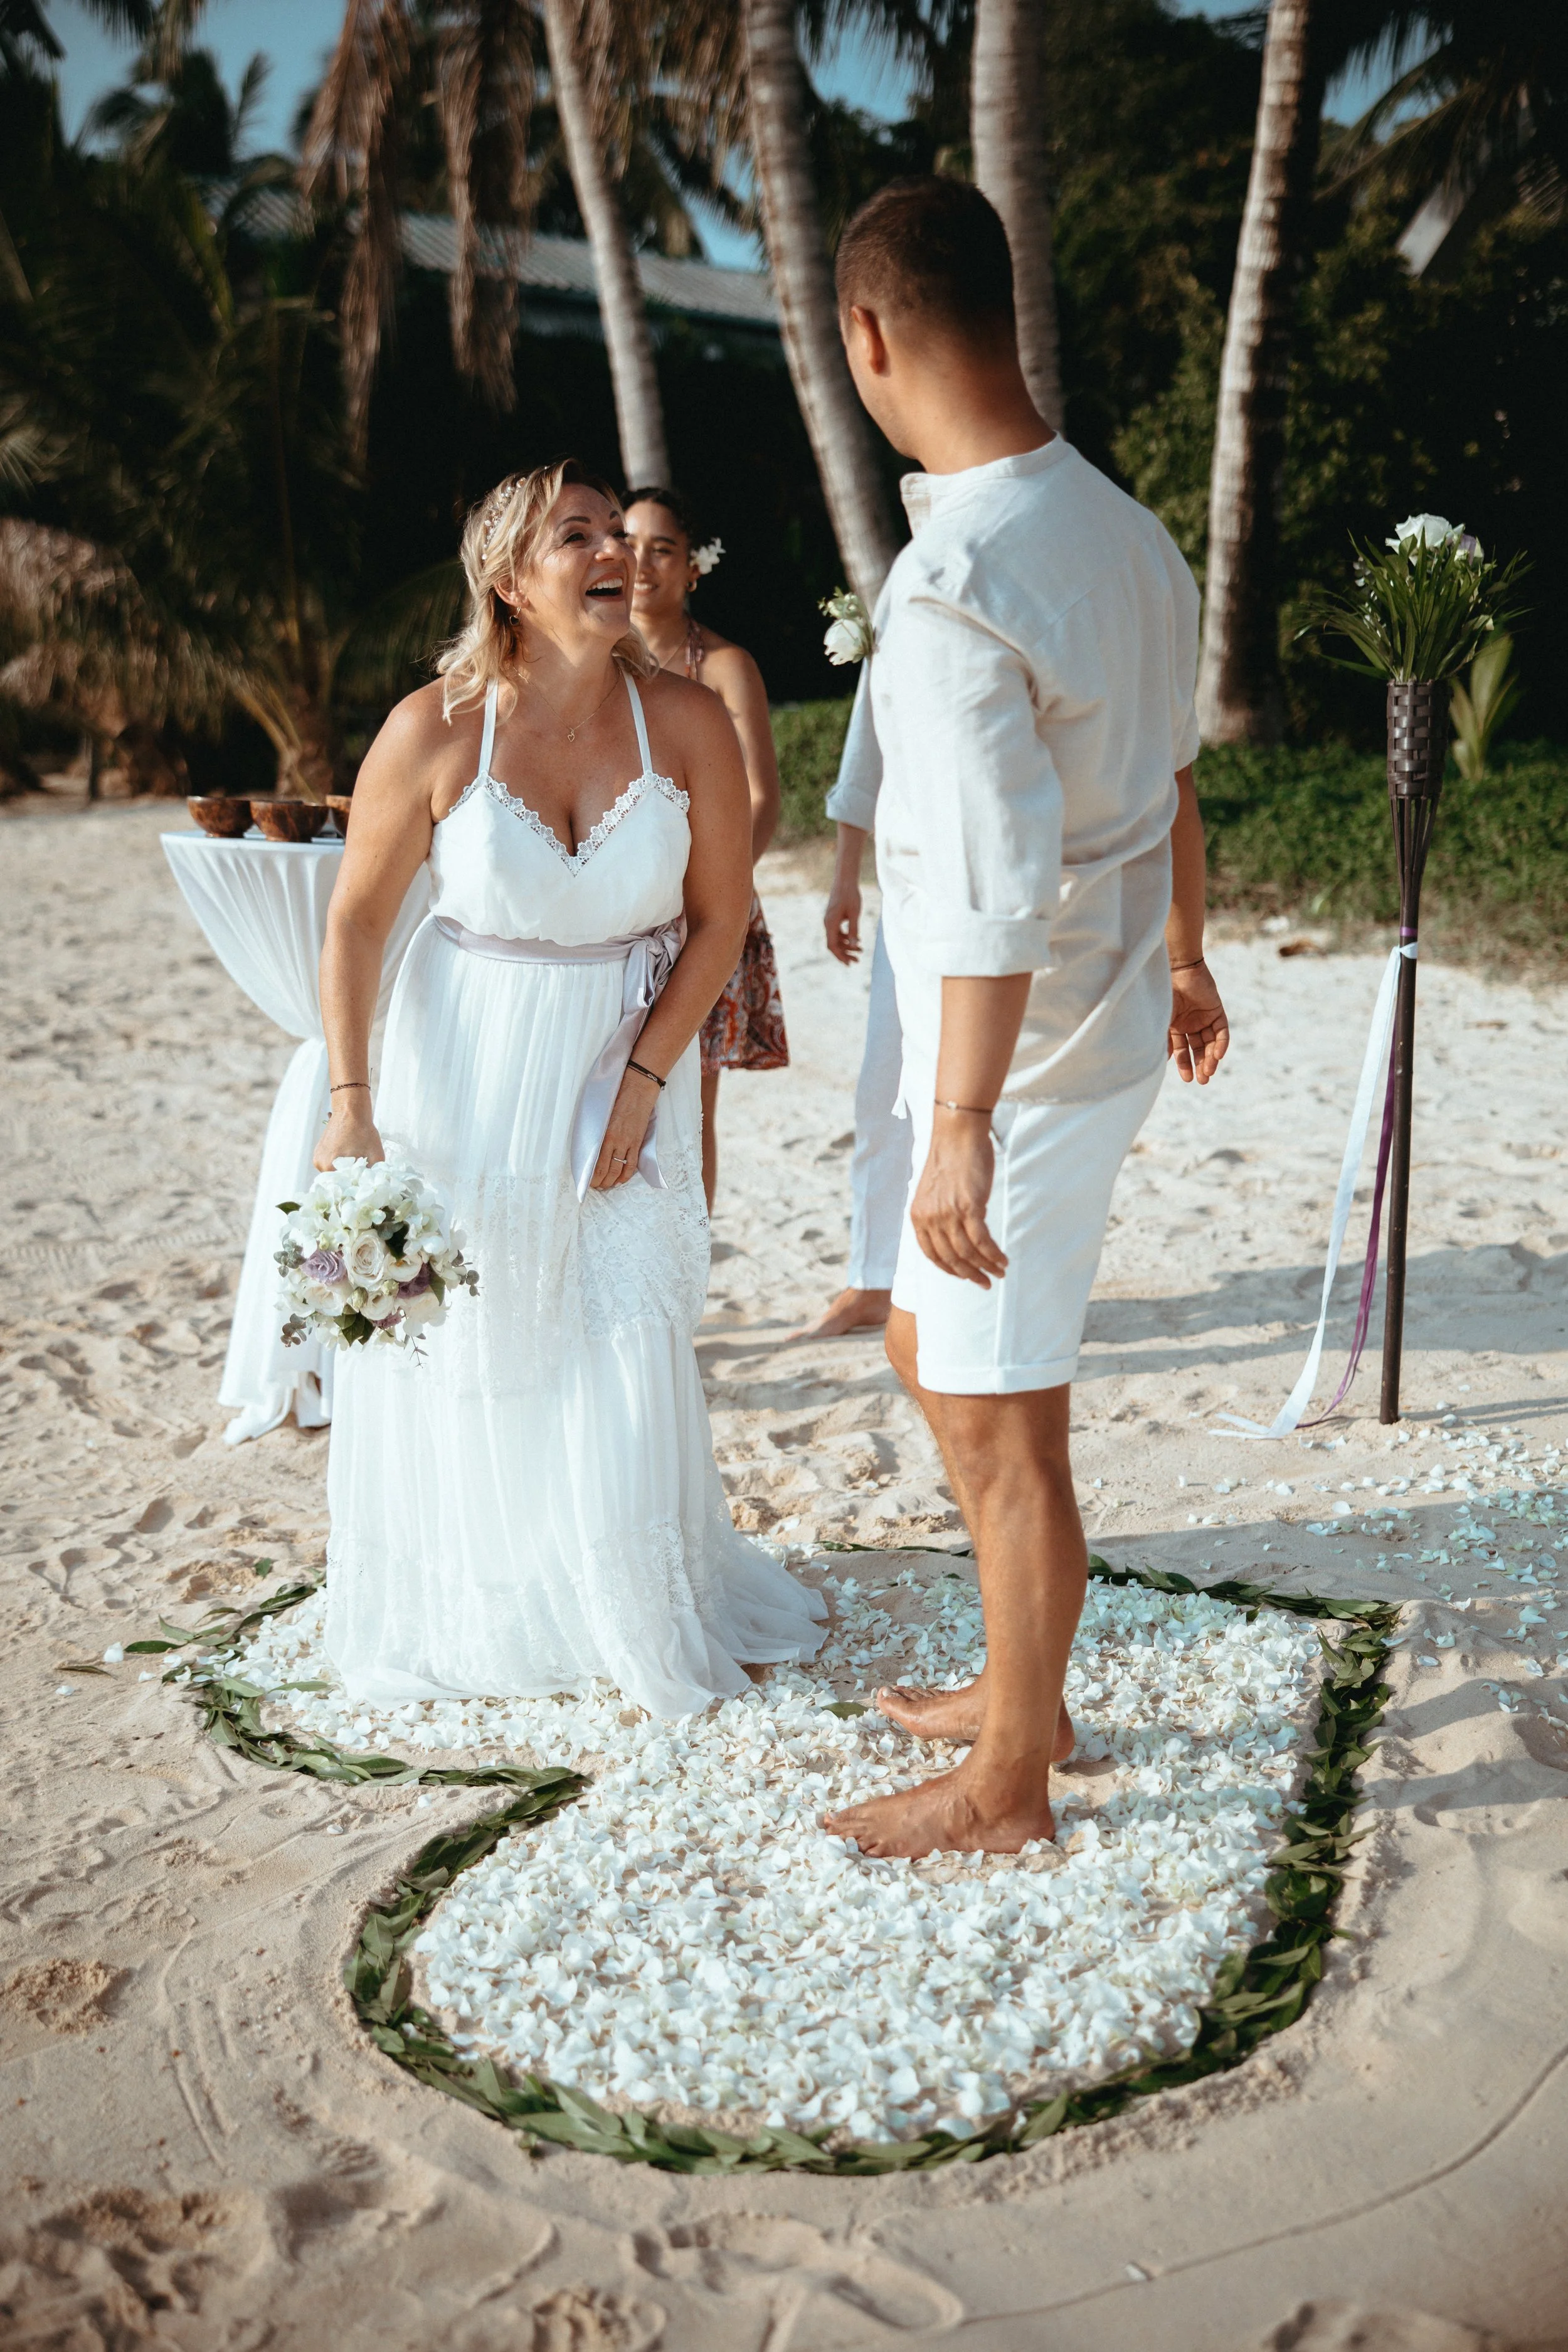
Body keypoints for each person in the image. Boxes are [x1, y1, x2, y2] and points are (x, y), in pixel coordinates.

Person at [817, 179, 1230, 1860]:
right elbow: (1173, 779)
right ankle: (1022, 1685)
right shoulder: (1123, 529)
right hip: (1099, 1009)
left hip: (1030, 1055)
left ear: (867, 336)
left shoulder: (960, 578)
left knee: (999, 1418)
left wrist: (959, 1124)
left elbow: (989, 883)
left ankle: (1010, 1774)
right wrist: (1191, 955)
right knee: (943, 1353)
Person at [314, 459, 825, 1720]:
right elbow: (354, 928)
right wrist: (350, 1102)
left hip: (619, 1061)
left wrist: (648, 1080)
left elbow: (719, 921)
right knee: (471, 1344)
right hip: (464, 1074)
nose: (615, 556)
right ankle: (495, 1589)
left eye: (620, 535)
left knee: (616, 1335)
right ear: (507, 578)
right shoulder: (431, 730)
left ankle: (629, 1602)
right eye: (576, 538)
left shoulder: (687, 719)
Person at [623, 487, 788, 1212]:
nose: (640, 562)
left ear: (693, 569)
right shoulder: (591, 665)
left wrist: (704, 895)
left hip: (702, 913)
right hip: (609, 913)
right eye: (627, 544)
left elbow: (763, 798)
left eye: (662, 549)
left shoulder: (724, 667)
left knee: (686, 1106)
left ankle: (685, 1283)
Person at [795, 667, 911, 1339]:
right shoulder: (898, 597)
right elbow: (864, 752)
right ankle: (874, 1279)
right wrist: (845, 879)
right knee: (884, 1085)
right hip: (911, 887)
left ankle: (1002, 1283)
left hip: (1033, 881)